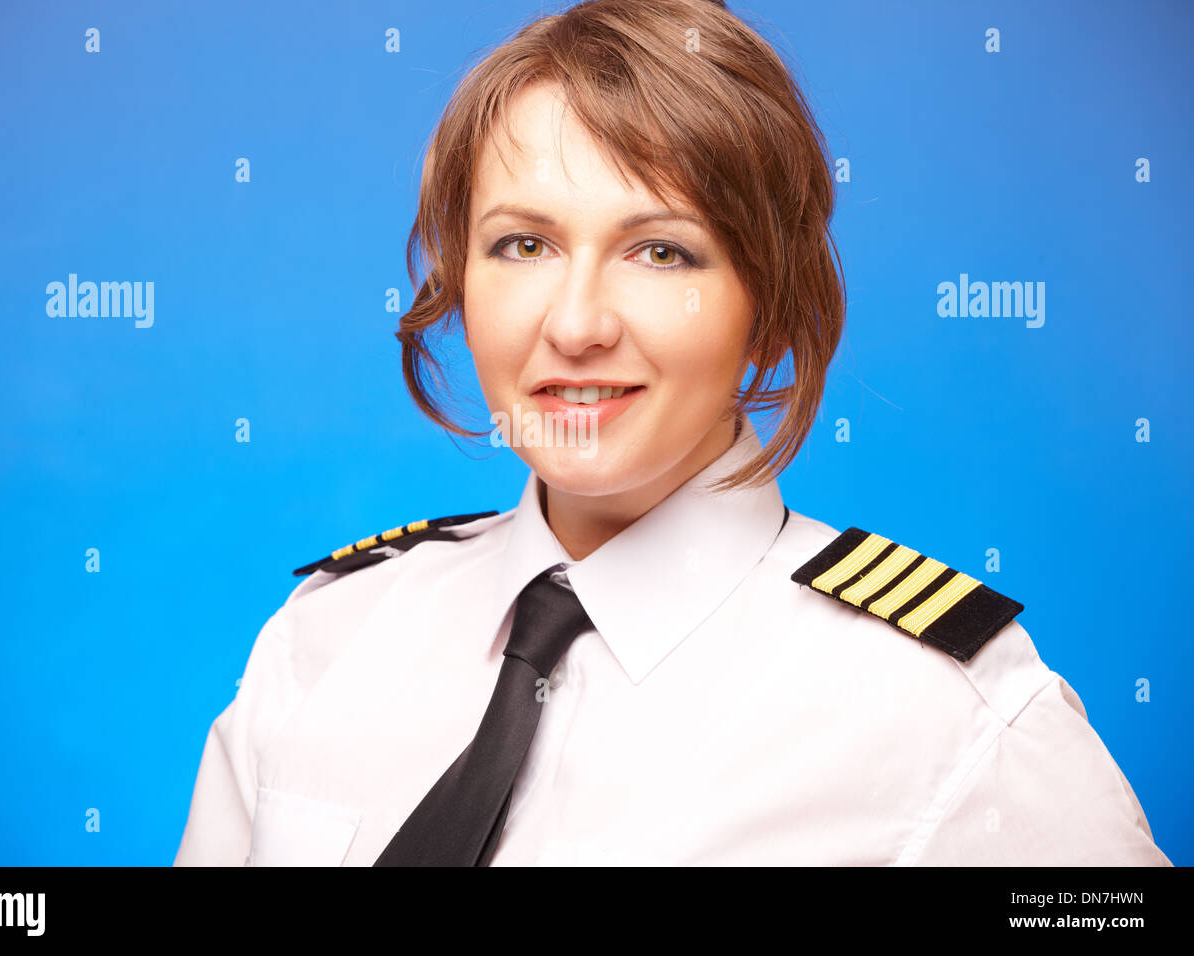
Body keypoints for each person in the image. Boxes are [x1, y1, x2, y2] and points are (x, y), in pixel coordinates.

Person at [174, 0, 1171, 866]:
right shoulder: (328, 635)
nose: (575, 323)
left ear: (770, 306)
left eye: (661, 251)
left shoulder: (948, 713)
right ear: (457, 285)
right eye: (522, 244)